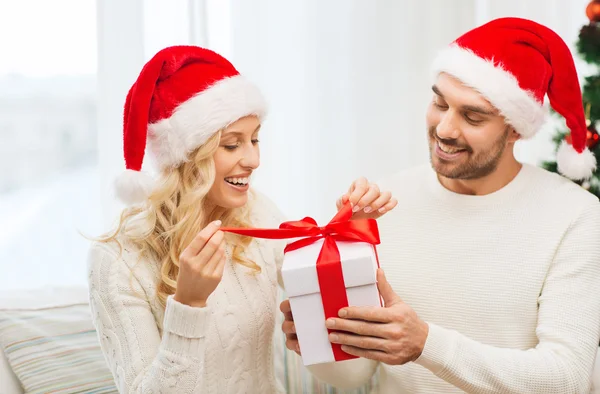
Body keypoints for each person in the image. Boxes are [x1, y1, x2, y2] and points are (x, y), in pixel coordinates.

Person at [282, 17, 600, 393]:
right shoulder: (381, 204)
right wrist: (320, 339)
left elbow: (565, 377)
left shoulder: (575, 216)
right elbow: (359, 375)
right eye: (439, 102)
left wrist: (426, 344)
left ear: (515, 129)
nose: (445, 129)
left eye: (472, 116)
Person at [87, 45, 396, 394]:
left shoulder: (257, 212)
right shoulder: (117, 261)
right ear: (187, 156)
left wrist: (349, 233)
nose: (253, 159)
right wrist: (189, 304)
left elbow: (339, 324)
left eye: (255, 139)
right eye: (232, 145)